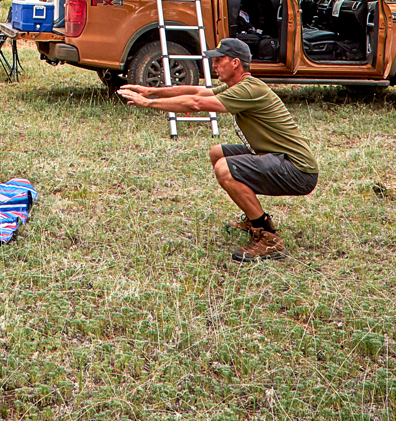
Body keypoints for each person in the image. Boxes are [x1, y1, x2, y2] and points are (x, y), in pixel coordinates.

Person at [117, 36, 318, 262]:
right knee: (217, 153)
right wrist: (150, 91)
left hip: (298, 170)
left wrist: (149, 104)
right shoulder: (240, 85)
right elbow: (197, 91)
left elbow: (196, 104)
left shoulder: (249, 89)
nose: (214, 65)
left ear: (235, 63)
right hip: (276, 158)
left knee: (225, 168)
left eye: (219, 60)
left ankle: (269, 238)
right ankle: (254, 219)